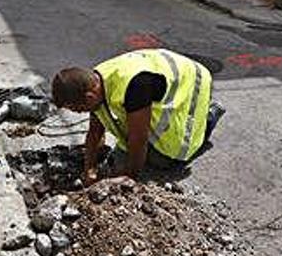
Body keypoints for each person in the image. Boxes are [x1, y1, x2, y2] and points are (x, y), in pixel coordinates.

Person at [52, 49, 225, 185]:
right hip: (159, 75)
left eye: (77, 109)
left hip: (193, 79)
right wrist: (89, 169)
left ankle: (208, 117)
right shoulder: (94, 84)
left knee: (163, 159)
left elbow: (139, 140)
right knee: (126, 153)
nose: (79, 113)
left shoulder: (134, 86)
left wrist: (128, 177)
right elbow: (95, 132)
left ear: (89, 96)